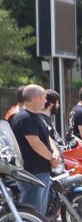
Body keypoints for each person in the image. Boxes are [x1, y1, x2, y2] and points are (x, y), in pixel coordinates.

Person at [10, 85, 57, 213]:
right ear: (36, 98)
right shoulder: (25, 118)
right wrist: (51, 158)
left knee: (39, 210)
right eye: (44, 98)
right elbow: (35, 143)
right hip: (32, 171)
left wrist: (55, 153)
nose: (46, 101)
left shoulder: (36, 116)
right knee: (33, 210)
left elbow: (46, 138)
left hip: (40, 169)